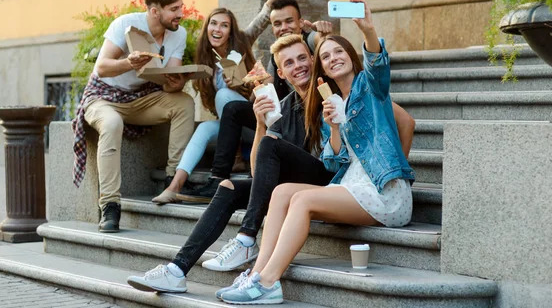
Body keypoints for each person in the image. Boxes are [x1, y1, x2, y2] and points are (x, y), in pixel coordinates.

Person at [126, 33, 414, 295]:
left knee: (277, 166)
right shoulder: (285, 106)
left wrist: (385, 169)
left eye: (303, 58)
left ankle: (248, 240)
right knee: (229, 185)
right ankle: (178, 269)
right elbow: (258, 171)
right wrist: (262, 124)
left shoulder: (338, 93)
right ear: (281, 72)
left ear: (314, 63)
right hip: (308, 181)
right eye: (289, 63)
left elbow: (403, 120)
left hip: (334, 179)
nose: (298, 66)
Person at [219, 1, 416, 305]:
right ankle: (254, 275)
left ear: (352, 56)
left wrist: (368, 30)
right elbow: (334, 161)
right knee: (283, 191)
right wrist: (334, 127)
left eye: (339, 52)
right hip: (351, 185)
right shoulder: (331, 102)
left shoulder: (371, 88)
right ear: (321, 68)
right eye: (326, 56)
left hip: (384, 192)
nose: (333, 58)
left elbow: (378, 64)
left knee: (304, 199)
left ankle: (269, 282)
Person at [177, 0, 415, 203]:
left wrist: (394, 169)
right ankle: (201, 185)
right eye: (277, 24)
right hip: (289, 130)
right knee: (232, 177)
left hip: (322, 164)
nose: (283, 28)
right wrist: (259, 105)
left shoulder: (346, 83)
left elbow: (404, 120)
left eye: (289, 21)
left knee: (270, 165)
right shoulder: (276, 60)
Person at [151, 0, 297, 204]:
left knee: (226, 94)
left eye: (224, 25)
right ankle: (174, 186)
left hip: (256, 122)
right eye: (213, 24)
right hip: (230, 127)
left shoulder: (242, 43)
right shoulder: (204, 62)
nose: (217, 29)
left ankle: (236, 160)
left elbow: (266, 11)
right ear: (208, 27)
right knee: (206, 128)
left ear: (231, 31)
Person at [72, 0, 195, 233]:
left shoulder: (178, 34)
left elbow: (167, 80)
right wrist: (129, 62)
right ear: (154, 11)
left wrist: (176, 82)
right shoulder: (125, 25)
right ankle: (110, 205)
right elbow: (103, 67)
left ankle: (173, 179)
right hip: (103, 97)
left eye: (180, 7)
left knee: (184, 102)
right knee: (112, 123)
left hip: (143, 98)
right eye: (173, 9)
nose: (180, 14)